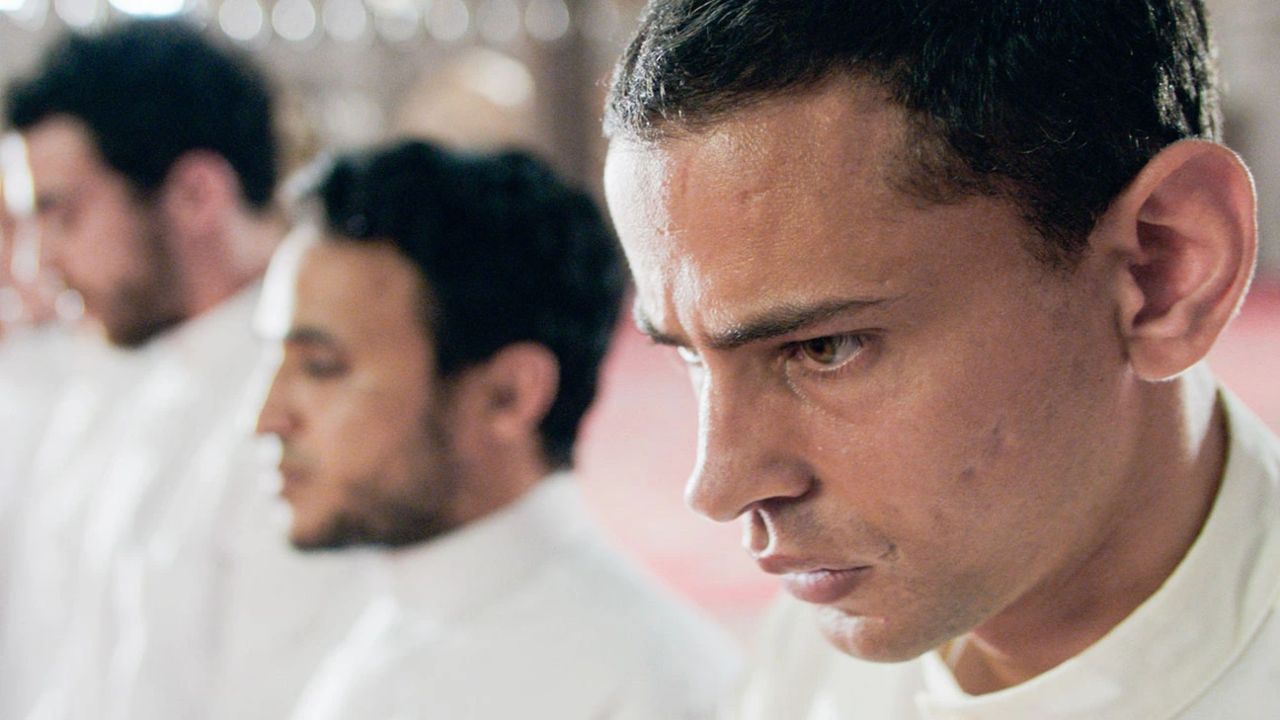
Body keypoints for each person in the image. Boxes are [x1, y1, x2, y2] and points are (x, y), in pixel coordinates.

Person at [602, 1, 1279, 718]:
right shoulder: (834, 618)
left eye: (825, 349)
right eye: (692, 357)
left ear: (1163, 272)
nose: (719, 488)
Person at [254, 139, 741, 720]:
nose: (265, 418)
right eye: (272, 361)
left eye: (321, 367)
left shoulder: (652, 687)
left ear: (507, 395)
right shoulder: (382, 626)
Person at [0, 19, 368, 720]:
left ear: (197, 194)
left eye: (62, 216)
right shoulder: (119, 374)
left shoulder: (315, 412)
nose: (34, 263)